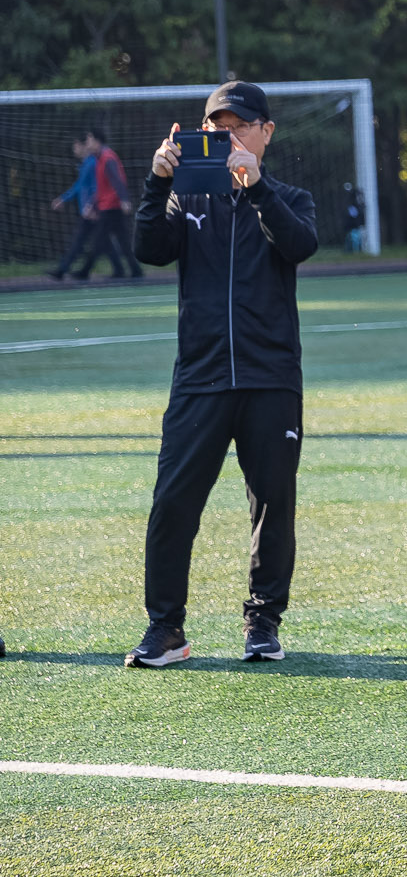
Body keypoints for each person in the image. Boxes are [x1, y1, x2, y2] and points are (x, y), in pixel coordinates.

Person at [123, 83, 319, 668]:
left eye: (237, 127)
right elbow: (149, 249)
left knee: (272, 502)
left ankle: (262, 622)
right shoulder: (187, 201)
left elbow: (300, 243)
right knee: (173, 503)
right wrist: (159, 182)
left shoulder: (289, 197)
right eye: (215, 127)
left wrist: (255, 187)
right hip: (200, 380)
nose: (225, 138)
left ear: (265, 132)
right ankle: (166, 630)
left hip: (270, 378)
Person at [51, 129, 138, 282]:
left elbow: (116, 180)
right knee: (119, 241)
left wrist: (124, 199)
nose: (88, 143)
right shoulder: (99, 158)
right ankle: (133, 270)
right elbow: (102, 187)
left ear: (98, 141)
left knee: (99, 240)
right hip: (106, 206)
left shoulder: (106, 157)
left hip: (110, 206)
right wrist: (93, 205)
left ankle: (83, 271)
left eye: (90, 139)